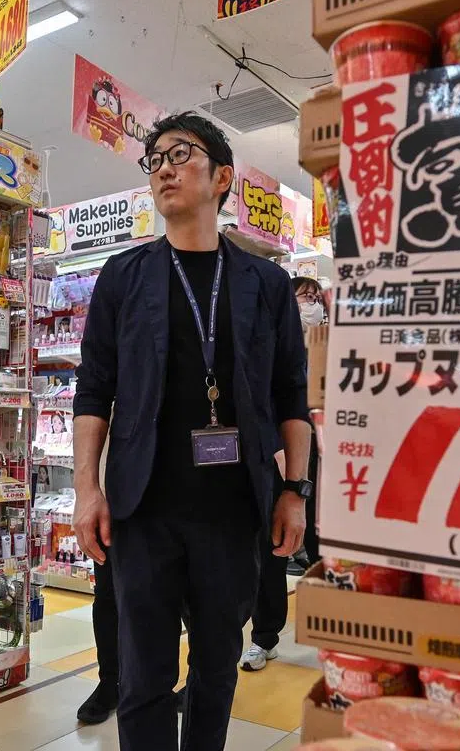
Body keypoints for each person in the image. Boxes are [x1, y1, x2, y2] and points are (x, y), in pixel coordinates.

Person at [72, 111, 312, 751]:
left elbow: (291, 394)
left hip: (233, 509)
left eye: (180, 154)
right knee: (143, 673)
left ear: (222, 177)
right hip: (143, 506)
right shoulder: (124, 276)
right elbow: (94, 389)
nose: (164, 169)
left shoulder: (266, 284)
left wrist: (295, 491)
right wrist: (87, 490)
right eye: (154, 160)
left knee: (216, 666)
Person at [239, 277, 327, 673]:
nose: (311, 305)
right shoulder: (268, 345)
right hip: (277, 458)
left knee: (324, 546)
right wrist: (277, 451)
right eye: (304, 297)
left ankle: (334, 632)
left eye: (315, 298)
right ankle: (264, 637)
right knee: (271, 546)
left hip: (324, 459)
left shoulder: (328, 348)